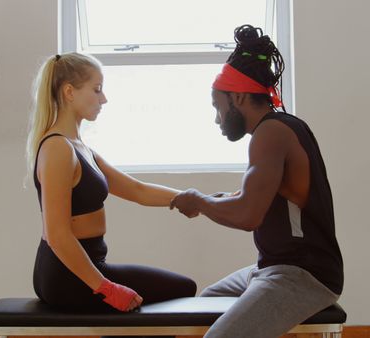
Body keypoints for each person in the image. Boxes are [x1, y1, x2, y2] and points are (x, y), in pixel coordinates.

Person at [170, 25, 344, 338]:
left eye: (217, 106)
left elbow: (248, 215)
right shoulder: (279, 128)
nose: (216, 118)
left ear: (236, 96)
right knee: (208, 302)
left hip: (302, 276)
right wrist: (218, 199)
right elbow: (257, 198)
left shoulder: (271, 133)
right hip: (270, 268)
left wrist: (199, 202)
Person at [26, 52, 196, 316]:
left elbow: (136, 190)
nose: (103, 99)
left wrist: (198, 200)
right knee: (180, 289)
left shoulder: (80, 148)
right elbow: (57, 236)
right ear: (69, 92)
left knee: (179, 290)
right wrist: (106, 288)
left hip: (90, 265)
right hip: (66, 275)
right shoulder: (57, 148)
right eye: (96, 90)